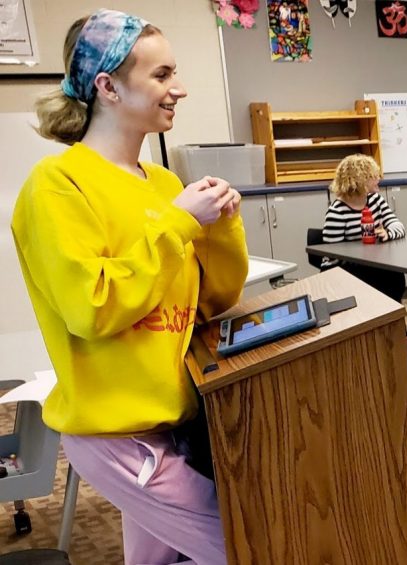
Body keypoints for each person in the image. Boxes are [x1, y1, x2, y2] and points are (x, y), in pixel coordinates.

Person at [11, 10, 248, 564]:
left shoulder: (164, 184)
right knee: (248, 545)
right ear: (108, 87)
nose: (179, 89)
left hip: (173, 423)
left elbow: (210, 301)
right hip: (121, 438)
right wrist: (180, 224)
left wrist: (222, 225)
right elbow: (92, 308)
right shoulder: (57, 186)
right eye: (162, 75)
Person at [321, 153, 406, 302]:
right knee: (381, 278)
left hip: (371, 263)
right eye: (374, 176)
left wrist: (388, 233)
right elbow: (334, 255)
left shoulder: (376, 200)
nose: (378, 179)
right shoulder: (337, 211)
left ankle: (391, 319)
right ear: (360, 180)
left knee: (396, 276)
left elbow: (398, 226)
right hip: (345, 268)